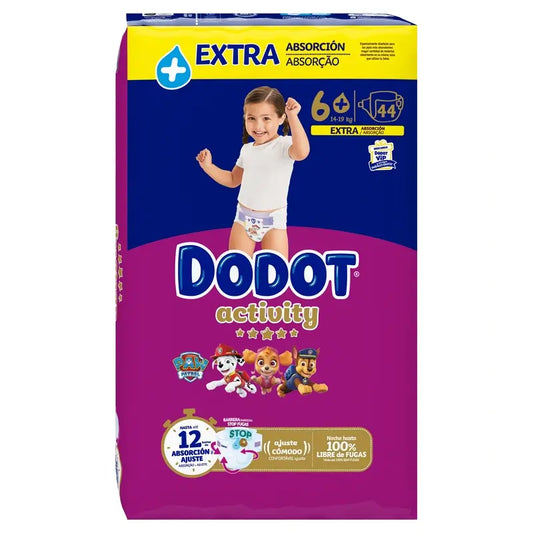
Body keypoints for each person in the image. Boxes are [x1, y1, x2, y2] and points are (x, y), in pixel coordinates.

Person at [196, 86, 310, 259]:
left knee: (276, 270)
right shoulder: (247, 149)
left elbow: (302, 152)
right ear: (245, 118)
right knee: (236, 268)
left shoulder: (285, 145)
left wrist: (293, 116)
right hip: (243, 219)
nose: (258, 126)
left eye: (266, 118)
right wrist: (208, 166)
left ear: (281, 118)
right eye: (251, 118)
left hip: (274, 222)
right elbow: (233, 179)